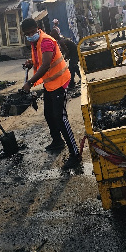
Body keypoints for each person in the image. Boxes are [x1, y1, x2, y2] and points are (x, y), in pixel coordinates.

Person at [21, 18, 82, 169]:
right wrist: (31, 62)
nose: (30, 35)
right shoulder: (35, 42)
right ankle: (57, 141)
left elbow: (47, 64)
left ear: (37, 28)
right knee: (49, 113)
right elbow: (41, 60)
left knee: (60, 117)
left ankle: (75, 154)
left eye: (31, 32)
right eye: (27, 34)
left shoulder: (46, 41)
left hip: (60, 82)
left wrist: (29, 83)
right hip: (50, 84)